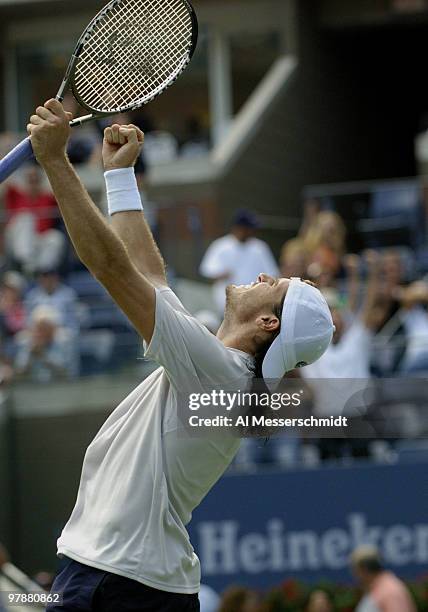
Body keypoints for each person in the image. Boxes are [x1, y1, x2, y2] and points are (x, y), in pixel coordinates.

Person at [26, 99, 334, 612]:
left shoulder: (221, 376)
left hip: (118, 581)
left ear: (268, 324)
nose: (261, 275)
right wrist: (119, 178)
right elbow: (147, 276)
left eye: (274, 283)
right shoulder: (221, 371)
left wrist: (56, 163)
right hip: (130, 579)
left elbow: (112, 268)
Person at [200, 209, 279, 314]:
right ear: (238, 228)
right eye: (247, 228)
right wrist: (220, 274)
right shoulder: (221, 245)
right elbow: (206, 269)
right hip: (227, 303)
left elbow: (273, 273)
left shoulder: (259, 248)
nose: (250, 231)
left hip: (255, 303)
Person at [3, 164, 66, 273]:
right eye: (30, 180)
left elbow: (62, 192)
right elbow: (4, 177)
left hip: (38, 240)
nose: (33, 184)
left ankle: (40, 272)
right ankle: (26, 262)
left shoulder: (47, 197)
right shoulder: (16, 194)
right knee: (26, 217)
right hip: (16, 241)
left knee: (56, 238)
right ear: (24, 181)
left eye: (36, 180)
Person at [15, 305, 76, 382]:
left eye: (44, 328)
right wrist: (30, 356)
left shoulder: (64, 342)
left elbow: (67, 373)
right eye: (38, 328)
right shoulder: (27, 344)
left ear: (53, 329)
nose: (40, 333)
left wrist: (43, 356)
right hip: (33, 390)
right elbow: (20, 374)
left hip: (61, 388)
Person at [351, 546, 416, 612]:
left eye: (356, 570)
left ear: (364, 570)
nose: (356, 575)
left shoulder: (390, 590)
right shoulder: (379, 588)